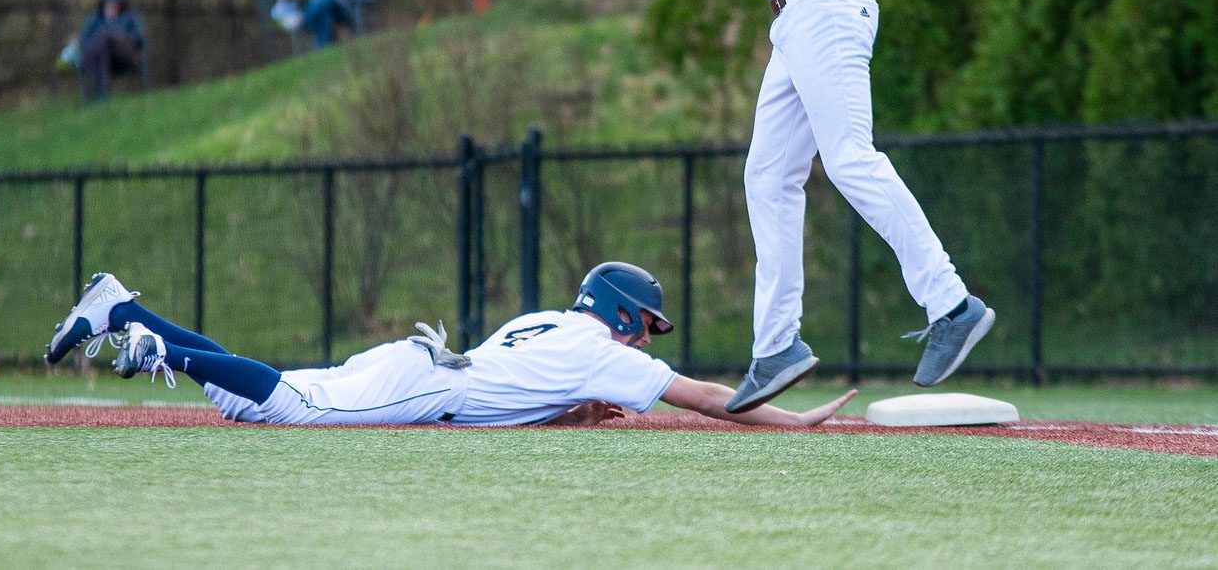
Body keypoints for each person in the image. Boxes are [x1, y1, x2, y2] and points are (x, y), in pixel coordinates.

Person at [630, 0, 996, 412]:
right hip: (794, 23)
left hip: (824, 5)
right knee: (766, 177)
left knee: (849, 158)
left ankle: (951, 305)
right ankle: (777, 347)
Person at [43, 263, 856, 428]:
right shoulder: (609, 351)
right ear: (621, 314)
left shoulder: (549, 322)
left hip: (427, 365)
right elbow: (715, 400)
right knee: (284, 407)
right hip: (433, 387)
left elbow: (522, 391)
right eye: (647, 323)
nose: (648, 338)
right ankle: (154, 343)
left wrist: (569, 417)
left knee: (251, 394)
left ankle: (122, 307)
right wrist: (798, 416)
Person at [77, 0, 147, 100]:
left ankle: (81, 60)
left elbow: (139, 38)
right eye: (109, 6)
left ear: (121, 6)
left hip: (126, 55)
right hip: (104, 57)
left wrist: (117, 34)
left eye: (115, 6)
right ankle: (102, 96)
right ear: (103, 5)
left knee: (105, 34)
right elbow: (84, 39)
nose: (111, 8)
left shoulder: (130, 17)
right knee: (103, 50)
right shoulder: (95, 19)